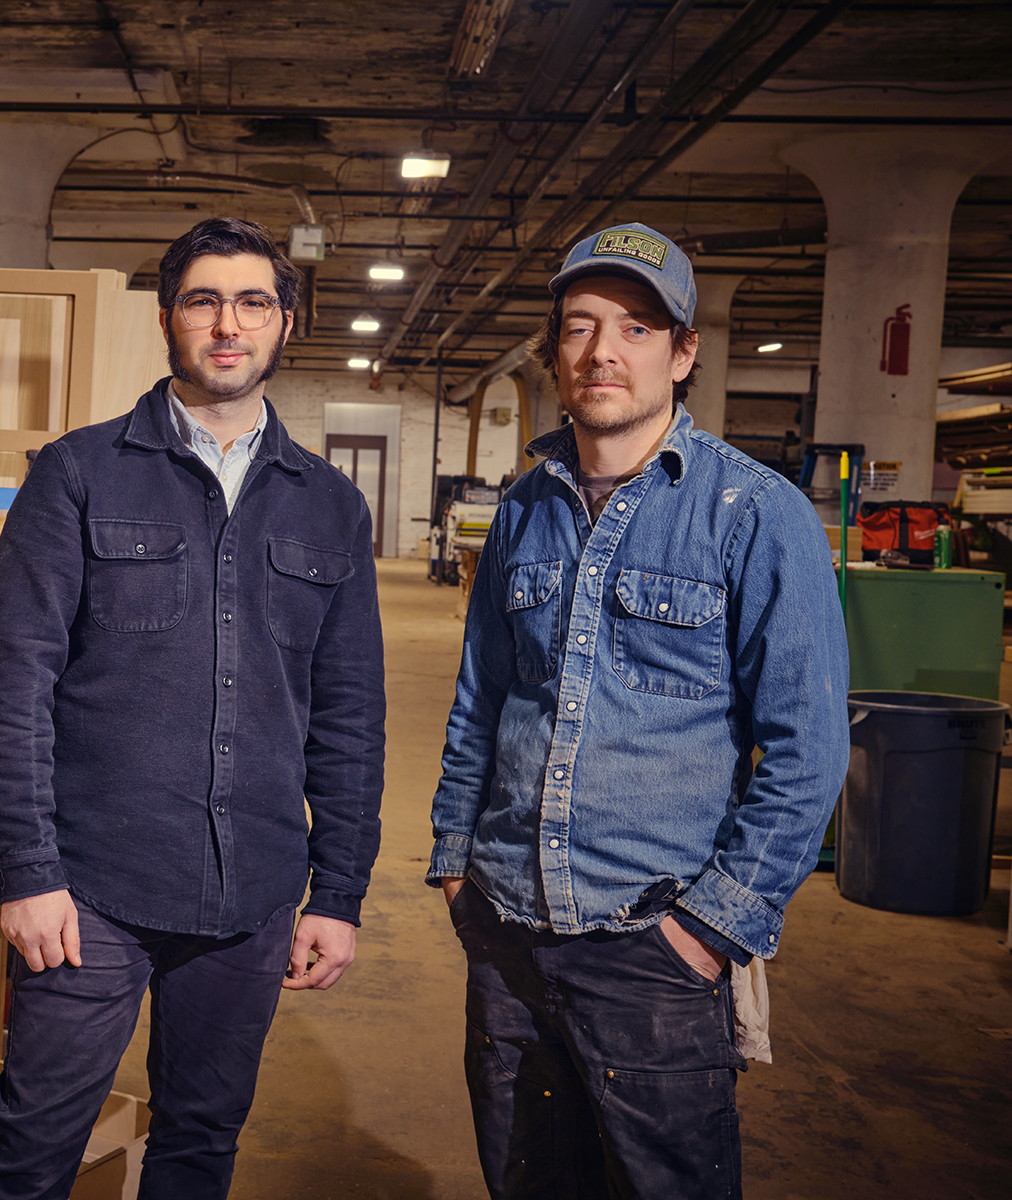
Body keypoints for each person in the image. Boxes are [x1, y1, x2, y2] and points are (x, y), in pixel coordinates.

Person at [0, 217, 386, 1200]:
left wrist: (339, 893)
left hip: (254, 896)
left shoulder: (330, 504)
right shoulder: (79, 473)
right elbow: (16, 683)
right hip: (90, 892)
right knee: (30, 1155)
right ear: (168, 320)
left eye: (252, 302)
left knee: (200, 1145)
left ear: (285, 323)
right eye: (204, 301)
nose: (228, 324)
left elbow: (350, 715)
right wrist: (28, 871)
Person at [428, 221, 848, 1198]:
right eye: (579, 326)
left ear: (683, 353)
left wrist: (710, 931)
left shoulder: (756, 514)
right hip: (507, 932)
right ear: (555, 352)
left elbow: (808, 751)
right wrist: (455, 865)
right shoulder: (523, 510)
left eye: (637, 327)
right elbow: (481, 699)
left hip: (652, 946)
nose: (602, 351)